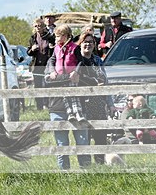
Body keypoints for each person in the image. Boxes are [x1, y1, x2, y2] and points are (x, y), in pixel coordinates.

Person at [45, 24, 89, 169]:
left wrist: (76, 72)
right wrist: (52, 71)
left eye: (59, 36)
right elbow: (51, 61)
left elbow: (82, 61)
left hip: (75, 95)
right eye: (56, 36)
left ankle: (86, 169)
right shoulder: (55, 50)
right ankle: (64, 171)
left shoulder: (74, 48)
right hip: (57, 104)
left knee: (82, 140)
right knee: (61, 144)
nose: (57, 38)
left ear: (66, 36)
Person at [72, 30, 113, 165]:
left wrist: (110, 103)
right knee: (84, 137)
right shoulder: (76, 60)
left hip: (98, 103)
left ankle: (100, 164)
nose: (88, 45)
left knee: (100, 136)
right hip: (82, 104)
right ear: (80, 44)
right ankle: (85, 166)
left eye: (91, 42)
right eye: (85, 42)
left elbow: (105, 82)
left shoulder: (97, 60)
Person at [27, 17, 53, 110]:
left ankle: (47, 104)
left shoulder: (49, 37)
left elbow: (54, 49)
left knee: (46, 84)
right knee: (37, 85)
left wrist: (51, 47)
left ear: (43, 27)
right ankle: (39, 106)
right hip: (36, 65)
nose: (38, 28)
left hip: (47, 65)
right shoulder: (33, 38)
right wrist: (32, 49)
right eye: (36, 26)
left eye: (40, 26)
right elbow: (28, 52)